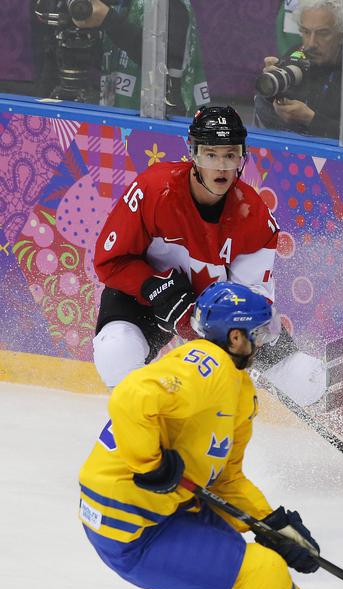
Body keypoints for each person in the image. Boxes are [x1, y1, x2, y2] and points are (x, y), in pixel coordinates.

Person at [78, 282, 343, 589]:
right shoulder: (206, 364)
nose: (266, 342)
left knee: (225, 547)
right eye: (260, 333)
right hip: (128, 526)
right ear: (236, 337)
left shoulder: (238, 390)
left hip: (160, 507)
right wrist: (150, 465)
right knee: (260, 570)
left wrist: (273, 523)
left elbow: (225, 480)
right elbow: (131, 396)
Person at [90, 105, 325, 408]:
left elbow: (254, 297)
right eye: (210, 155)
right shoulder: (153, 189)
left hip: (216, 314)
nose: (221, 167)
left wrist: (233, 329)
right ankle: (138, 430)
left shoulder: (253, 215)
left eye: (230, 155)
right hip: (144, 298)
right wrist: (153, 286)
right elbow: (109, 260)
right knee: (116, 350)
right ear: (193, 154)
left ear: (242, 157)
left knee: (304, 377)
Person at [253, 0, 343, 143]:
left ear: (342, 34)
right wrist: (272, 91)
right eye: (306, 32)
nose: (311, 43)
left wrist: (310, 119)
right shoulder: (296, 55)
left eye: (323, 33)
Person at [71, 0, 210, 115]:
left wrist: (110, 21)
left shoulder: (168, 4)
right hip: (116, 116)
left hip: (161, 125)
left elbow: (165, 63)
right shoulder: (120, 4)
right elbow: (107, 60)